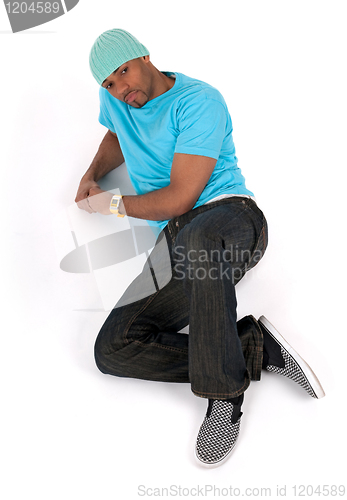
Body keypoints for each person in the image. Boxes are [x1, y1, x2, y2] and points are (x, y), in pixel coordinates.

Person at [75, 28, 325, 467]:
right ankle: (253, 347)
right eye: (109, 84)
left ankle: (223, 396)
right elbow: (115, 134)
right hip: (176, 241)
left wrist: (109, 203)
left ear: (146, 58)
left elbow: (179, 200)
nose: (121, 88)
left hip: (229, 216)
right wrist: (90, 174)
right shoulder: (115, 99)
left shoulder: (199, 101)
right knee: (113, 347)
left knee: (196, 235)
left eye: (124, 72)